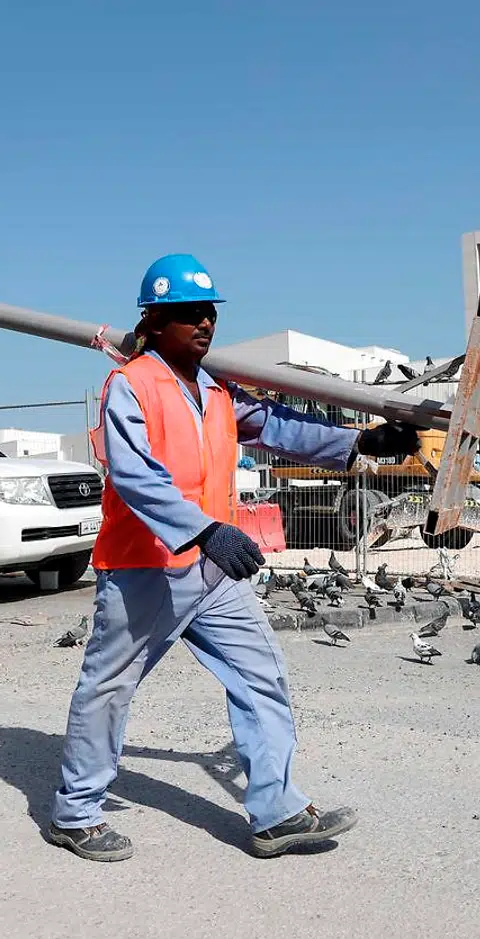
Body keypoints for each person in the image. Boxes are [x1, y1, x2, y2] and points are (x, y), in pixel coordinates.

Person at [48, 254, 423, 861]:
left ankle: (275, 813)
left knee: (260, 676)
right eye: (188, 314)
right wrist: (204, 532)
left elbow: (279, 426)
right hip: (145, 567)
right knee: (109, 687)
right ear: (154, 320)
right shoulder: (132, 384)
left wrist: (360, 441)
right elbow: (137, 477)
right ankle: (76, 812)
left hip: (212, 572)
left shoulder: (217, 388)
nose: (203, 323)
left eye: (209, 313)